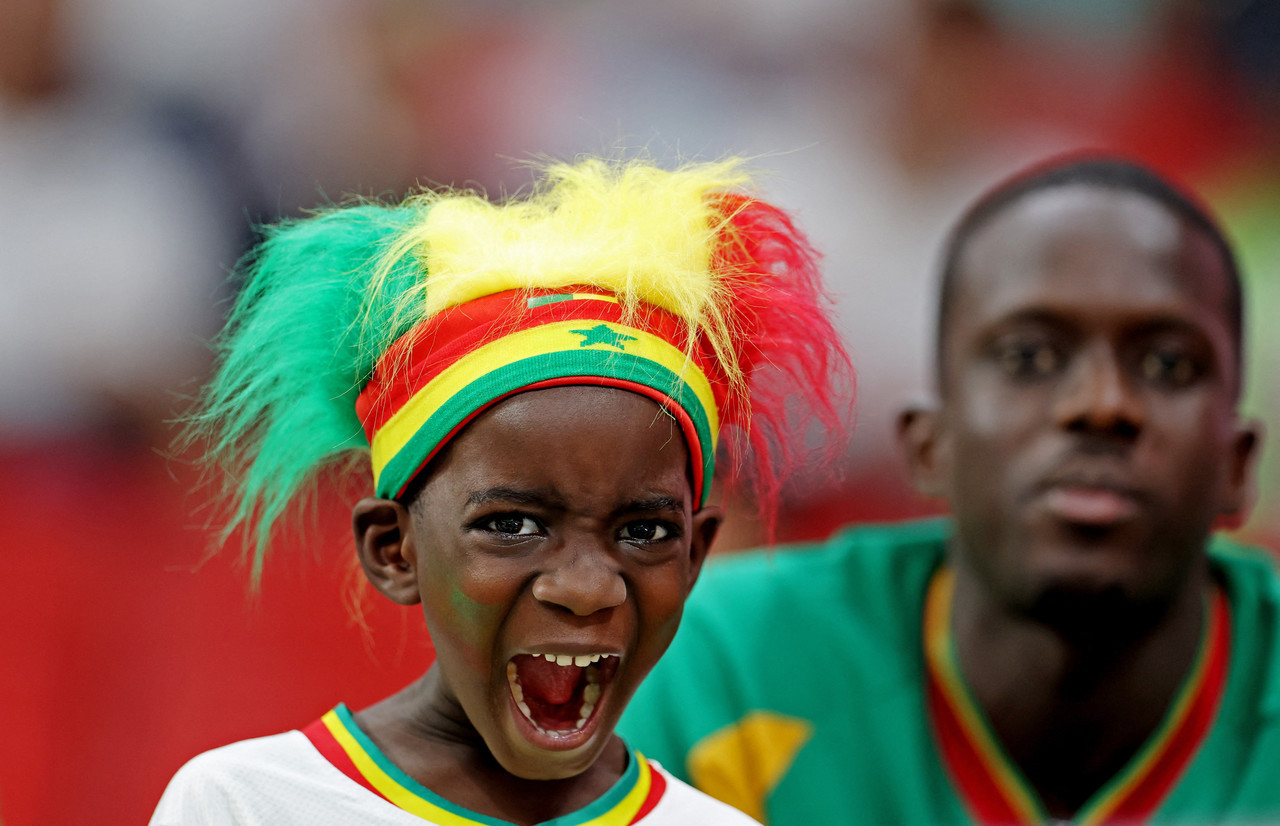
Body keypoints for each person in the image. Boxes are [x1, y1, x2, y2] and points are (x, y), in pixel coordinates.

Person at [148, 158, 850, 825]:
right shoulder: (246, 807)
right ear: (393, 549)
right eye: (512, 524)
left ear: (696, 557)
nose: (586, 587)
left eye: (644, 532)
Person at [619, 155, 1280, 825]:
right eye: (1029, 357)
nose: (1102, 404)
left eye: (1167, 364)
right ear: (929, 446)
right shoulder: (720, 669)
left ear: (1237, 462)